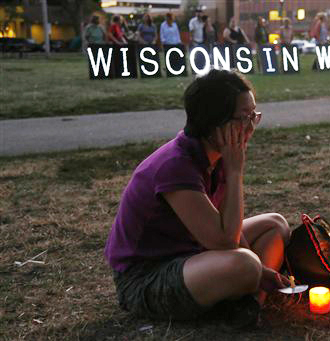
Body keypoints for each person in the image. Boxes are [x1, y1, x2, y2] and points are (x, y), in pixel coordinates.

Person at [104, 69, 291, 328]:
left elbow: (231, 232)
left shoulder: (216, 155)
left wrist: (260, 268)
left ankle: (250, 305)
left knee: (275, 224)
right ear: (213, 123)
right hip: (147, 278)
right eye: (242, 118)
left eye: (253, 116)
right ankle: (239, 291)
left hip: (191, 253)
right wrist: (236, 171)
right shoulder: (175, 166)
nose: (250, 126)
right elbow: (223, 240)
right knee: (247, 265)